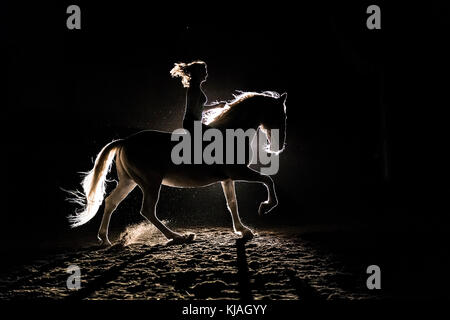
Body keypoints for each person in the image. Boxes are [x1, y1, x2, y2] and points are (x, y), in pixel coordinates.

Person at [170, 60, 225, 132]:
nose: (206, 73)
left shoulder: (196, 87)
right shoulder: (194, 88)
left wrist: (217, 106)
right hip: (192, 124)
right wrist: (216, 106)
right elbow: (195, 110)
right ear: (198, 73)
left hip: (193, 123)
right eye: (204, 71)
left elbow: (198, 108)